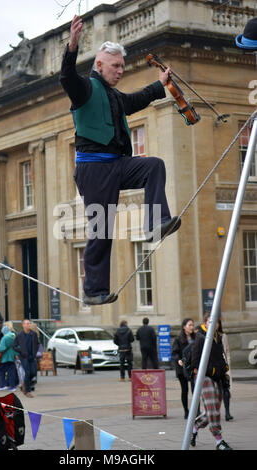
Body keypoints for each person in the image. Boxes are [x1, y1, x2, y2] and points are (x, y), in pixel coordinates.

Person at [60, 15, 181, 306]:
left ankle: (155, 224)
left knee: (154, 166)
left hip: (117, 164)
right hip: (94, 168)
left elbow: (136, 100)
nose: (120, 71)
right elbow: (66, 77)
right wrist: (72, 45)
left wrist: (160, 84)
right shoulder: (85, 89)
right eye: (116, 66)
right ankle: (93, 290)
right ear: (99, 65)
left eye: (122, 66)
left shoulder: (113, 95)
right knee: (102, 229)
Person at [190, 313, 232, 450]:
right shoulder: (201, 337)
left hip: (218, 377)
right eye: (210, 321)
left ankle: (194, 427)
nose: (214, 324)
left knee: (211, 411)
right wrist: (205, 371)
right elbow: (195, 360)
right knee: (213, 411)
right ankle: (219, 441)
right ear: (205, 322)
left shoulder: (218, 337)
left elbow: (221, 356)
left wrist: (224, 370)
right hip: (204, 377)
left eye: (216, 322)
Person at [172, 318, 197, 419]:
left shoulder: (196, 337)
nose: (192, 327)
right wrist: (178, 360)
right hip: (182, 368)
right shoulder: (178, 339)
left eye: (192, 325)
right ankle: (186, 411)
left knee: (195, 389)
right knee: (185, 390)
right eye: (189, 325)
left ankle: (197, 410)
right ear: (184, 327)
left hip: (193, 367)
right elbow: (174, 353)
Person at [13, 319, 39, 397]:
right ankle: (27, 391)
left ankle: (24, 384)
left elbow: (37, 344)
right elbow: (14, 346)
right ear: (23, 325)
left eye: (29, 323)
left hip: (32, 356)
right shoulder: (20, 335)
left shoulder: (33, 334)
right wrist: (20, 351)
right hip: (24, 357)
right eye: (27, 323)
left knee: (33, 373)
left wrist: (35, 352)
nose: (28, 325)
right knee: (27, 373)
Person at [218, 319, 233, 421]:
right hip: (213, 367)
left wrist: (228, 365)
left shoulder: (223, 336)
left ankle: (227, 412)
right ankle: (215, 413)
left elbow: (227, 351)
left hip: (224, 366)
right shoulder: (207, 336)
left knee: (226, 389)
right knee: (217, 391)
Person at [0, 323, 17, 392]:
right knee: (11, 372)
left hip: (4, 358)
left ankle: (3, 385)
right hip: (12, 357)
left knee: (0, 371)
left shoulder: (4, 338)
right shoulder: (14, 336)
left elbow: (0, 349)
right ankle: (12, 386)